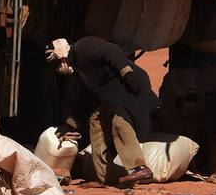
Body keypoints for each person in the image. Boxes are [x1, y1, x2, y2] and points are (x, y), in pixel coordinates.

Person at [49, 36, 158, 187]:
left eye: (56, 63)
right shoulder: (78, 73)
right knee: (96, 121)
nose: (57, 68)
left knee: (119, 120)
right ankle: (107, 176)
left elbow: (111, 51)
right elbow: (83, 102)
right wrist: (69, 125)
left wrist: (127, 72)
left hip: (130, 84)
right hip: (114, 95)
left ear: (61, 54)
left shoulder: (83, 46)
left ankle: (139, 168)